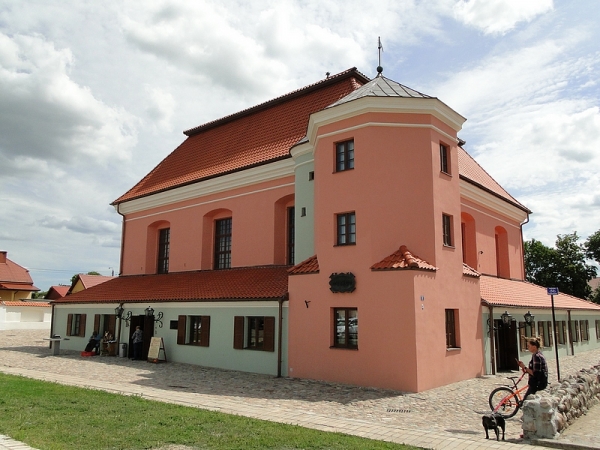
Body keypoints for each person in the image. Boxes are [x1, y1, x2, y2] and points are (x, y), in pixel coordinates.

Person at [517, 336, 548, 403]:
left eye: (529, 346)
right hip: (538, 382)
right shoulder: (539, 354)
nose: (527, 347)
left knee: (525, 403)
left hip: (536, 384)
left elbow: (535, 373)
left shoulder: (536, 357)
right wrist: (526, 370)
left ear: (534, 347)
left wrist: (524, 367)